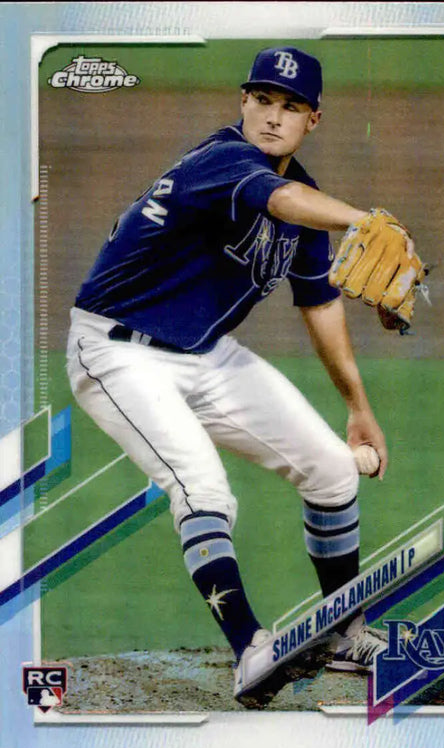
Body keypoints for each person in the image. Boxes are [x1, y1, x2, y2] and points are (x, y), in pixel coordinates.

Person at [66, 46, 392, 709]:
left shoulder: (305, 197)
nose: (273, 117)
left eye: (291, 107)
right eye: (262, 100)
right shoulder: (223, 162)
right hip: (116, 351)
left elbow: (320, 303)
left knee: (331, 470)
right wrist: (365, 220)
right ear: (242, 102)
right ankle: (249, 653)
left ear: (313, 120)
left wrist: (357, 407)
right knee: (203, 486)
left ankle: (342, 631)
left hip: (205, 353)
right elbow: (283, 200)